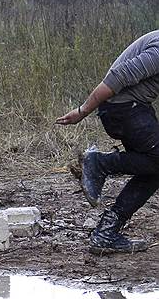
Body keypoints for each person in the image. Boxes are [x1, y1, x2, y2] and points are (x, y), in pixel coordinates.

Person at [56, 30, 159, 255]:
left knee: (153, 170)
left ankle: (106, 233)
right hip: (122, 108)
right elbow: (117, 77)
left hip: (133, 108)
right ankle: (99, 163)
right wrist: (83, 111)